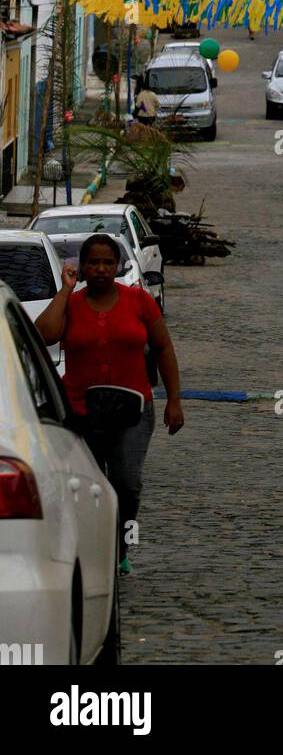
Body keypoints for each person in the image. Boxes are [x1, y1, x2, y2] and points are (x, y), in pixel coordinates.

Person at [34, 234, 184, 575]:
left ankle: (120, 548)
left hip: (133, 411)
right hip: (79, 412)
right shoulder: (71, 303)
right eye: (93, 262)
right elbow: (44, 334)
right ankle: (82, 548)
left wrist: (174, 399)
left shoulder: (139, 301)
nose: (101, 269)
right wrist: (65, 290)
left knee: (127, 483)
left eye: (107, 262)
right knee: (82, 485)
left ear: (117, 265)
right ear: (82, 266)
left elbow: (162, 348)